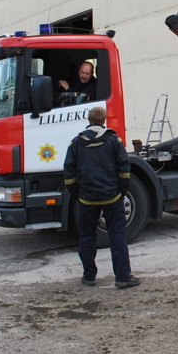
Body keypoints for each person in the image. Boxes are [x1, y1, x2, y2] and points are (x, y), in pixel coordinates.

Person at [63, 106, 140, 289]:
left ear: (89, 120)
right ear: (104, 120)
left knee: (87, 237)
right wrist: (121, 191)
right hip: (112, 197)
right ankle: (122, 277)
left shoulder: (76, 142)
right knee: (117, 237)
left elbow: (69, 173)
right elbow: (124, 168)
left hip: (87, 199)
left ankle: (89, 276)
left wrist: (78, 193)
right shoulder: (114, 140)